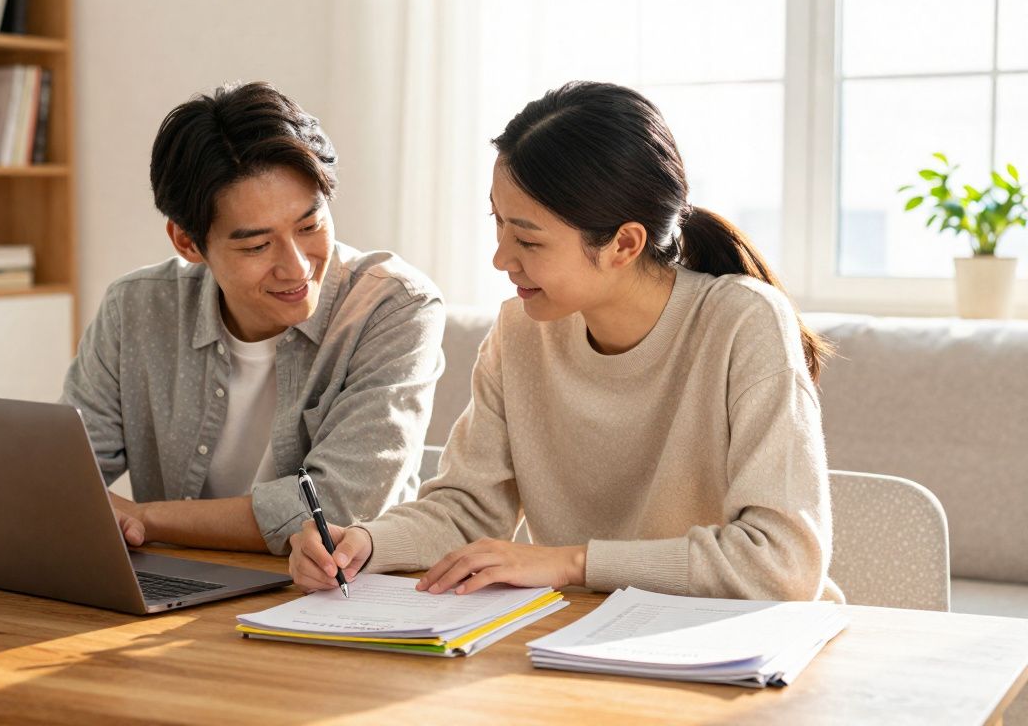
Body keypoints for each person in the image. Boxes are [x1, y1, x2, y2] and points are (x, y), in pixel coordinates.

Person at [289, 81, 842, 602]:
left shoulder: (743, 323)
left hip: (744, 656)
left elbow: (783, 564)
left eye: (527, 238)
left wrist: (573, 564)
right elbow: (468, 509)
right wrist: (367, 543)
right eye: (498, 224)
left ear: (624, 243)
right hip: (581, 641)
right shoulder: (521, 331)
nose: (501, 259)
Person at [62, 81, 445, 555]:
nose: (297, 267)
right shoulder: (137, 308)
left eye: (310, 226)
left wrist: (146, 518)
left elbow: (339, 506)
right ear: (187, 242)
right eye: (257, 246)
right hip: (177, 585)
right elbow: (65, 477)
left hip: (332, 598)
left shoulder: (393, 307)